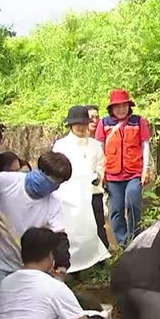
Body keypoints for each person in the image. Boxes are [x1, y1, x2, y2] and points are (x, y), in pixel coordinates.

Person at [0, 151, 74, 319]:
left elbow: (59, 239)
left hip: (23, 268)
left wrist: (62, 268)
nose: (53, 187)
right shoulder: (6, 181)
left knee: (23, 318)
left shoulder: (53, 203)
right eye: (53, 181)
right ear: (40, 172)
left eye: (58, 184)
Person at [53, 105, 111, 271]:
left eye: (83, 123)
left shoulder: (94, 145)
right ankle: (71, 264)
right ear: (70, 125)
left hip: (92, 192)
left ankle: (100, 259)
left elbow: (101, 164)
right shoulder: (61, 145)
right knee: (72, 230)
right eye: (76, 123)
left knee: (97, 225)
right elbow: (57, 167)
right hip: (70, 195)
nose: (80, 126)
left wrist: (98, 176)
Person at [93, 90, 152, 246]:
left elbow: (145, 146)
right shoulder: (104, 124)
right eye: (117, 106)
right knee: (116, 210)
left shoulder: (139, 122)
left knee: (133, 202)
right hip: (112, 174)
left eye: (124, 105)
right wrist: (101, 172)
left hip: (134, 173)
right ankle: (122, 242)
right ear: (111, 109)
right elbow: (99, 150)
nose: (121, 109)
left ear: (129, 106)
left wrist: (145, 170)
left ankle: (135, 238)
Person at [85, 105, 108, 249]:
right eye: (90, 118)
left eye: (97, 117)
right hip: (85, 189)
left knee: (101, 220)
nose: (94, 121)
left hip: (102, 184)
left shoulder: (104, 137)